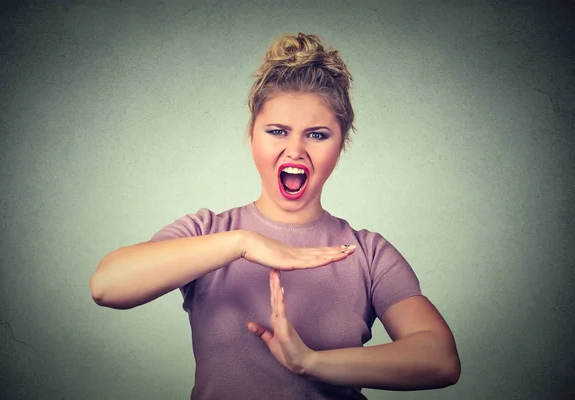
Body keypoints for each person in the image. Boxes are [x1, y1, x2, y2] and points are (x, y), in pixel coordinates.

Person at [89, 32, 461, 400]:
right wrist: (242, 242)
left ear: (341, 143)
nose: (295, 150)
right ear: (252, 136)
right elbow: (107, 285)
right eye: (277, 131)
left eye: (317, 135)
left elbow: (440, 360)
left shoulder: (367, 253)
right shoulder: (207, 232)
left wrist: (310, 362)